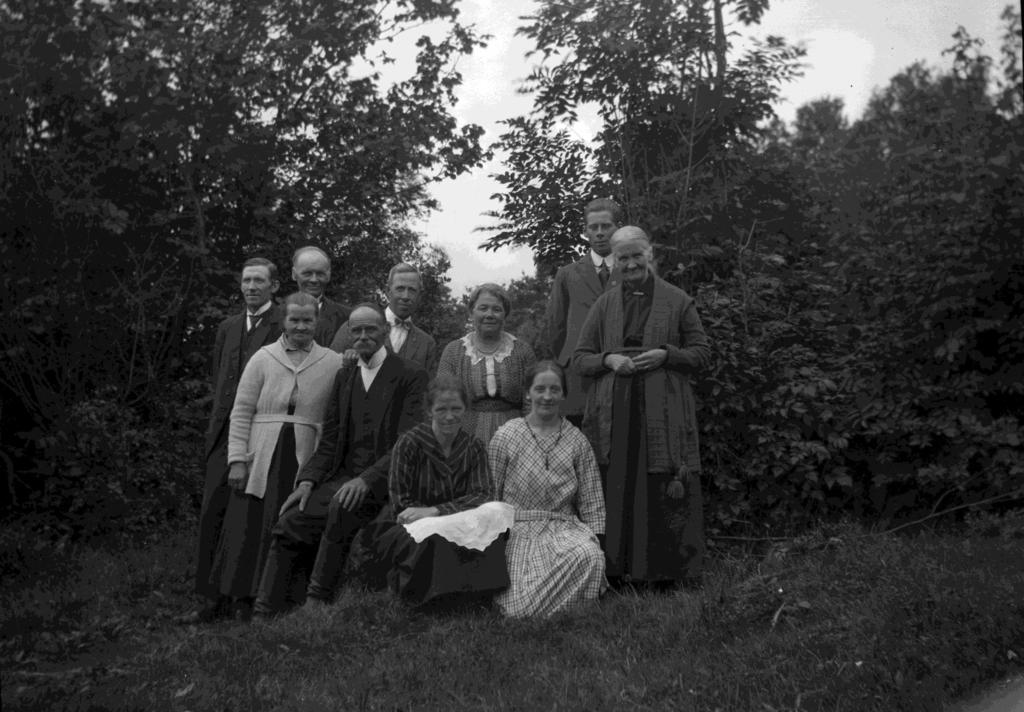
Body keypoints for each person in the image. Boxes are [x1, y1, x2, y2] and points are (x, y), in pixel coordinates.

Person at [254, 304, 427, 614]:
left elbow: (408, 443)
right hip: (342, 477)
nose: (363, 336)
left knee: (340, 506)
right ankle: (265, 610)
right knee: (291, 519)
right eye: (356, 330)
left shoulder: (410, 375)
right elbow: (331, 438)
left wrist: (366, 480)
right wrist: (308, 480)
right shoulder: (345, 375)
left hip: (388, 482)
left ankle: (316, 600)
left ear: (384, 332)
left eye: (370, 329)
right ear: (349, 334)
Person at [573, 226, 711, 588]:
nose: (631, 263)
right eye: (623, 257)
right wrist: (609, 360)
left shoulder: (678, 300)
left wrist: (668, 354)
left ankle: (669, 575)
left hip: (663, 410)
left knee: (662, 482)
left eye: (637, 255)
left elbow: (703, 353)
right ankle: (618, 574)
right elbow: (580, 358)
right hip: (615, 410)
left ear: (650, 254)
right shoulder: (604, 304)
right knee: (618, 484)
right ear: (615, 262)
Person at [206, 293, 344, 620]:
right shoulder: (263, 358)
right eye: (294, 320)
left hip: (303, 456)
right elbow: (240, 411)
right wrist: (237, 459)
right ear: (284, 321)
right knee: (250, 526)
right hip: (262, 455)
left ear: (317, 322)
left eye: (307, 320)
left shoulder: (332, 361)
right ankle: (241, 598)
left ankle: (285, 599)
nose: (300, 326)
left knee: (292, 523)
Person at [187, 257, 282, 624]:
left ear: (274, 286)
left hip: (259, 432)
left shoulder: (281, 325)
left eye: (260, 280)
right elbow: (219, 378)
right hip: (223, 431)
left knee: (246, 516)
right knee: (213, 511)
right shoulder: (227, 327)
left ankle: (243, 595)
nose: (252, 287)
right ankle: (209, 599)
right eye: (246, 280)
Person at [362, 374, 508, 607]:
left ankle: (477, 596)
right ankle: (433, 598)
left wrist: (436, 511)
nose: (449, 416)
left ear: (465, 410)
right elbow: (402, 503)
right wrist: (433, 515)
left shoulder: (474, 447)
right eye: (441, 409)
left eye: (456, 408)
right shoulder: (410, 443)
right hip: (407, 526)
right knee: (434, 538)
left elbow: (483, 494)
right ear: (429, 411)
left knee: (494, 520)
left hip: (455, 518)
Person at [489, 361, 606, 617]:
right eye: (540, 389)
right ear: (528, 393)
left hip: (563, 529)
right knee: (517, 608)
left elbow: (592, 498)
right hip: (518, 530)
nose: (547, 396)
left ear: (563, 394)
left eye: (555, 390)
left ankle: (561, 604)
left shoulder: (577, 440)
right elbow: (491, 493)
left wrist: (597, 537)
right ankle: (550, 605)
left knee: (590, 555)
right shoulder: (507, 435)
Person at [545, 198, 623, 425]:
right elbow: (555, 328)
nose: (599, 233)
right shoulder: (568, 274)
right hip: (578, 377)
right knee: (578, 441)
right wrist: (566, 361)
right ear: (585, 231)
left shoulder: (632, 270)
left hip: (620, 371)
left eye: (606, 226)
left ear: (618, 228)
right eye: (593, 227)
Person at [437, 283, 536, 445]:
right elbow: (442, 399)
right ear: (471, 312)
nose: (489, 314)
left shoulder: (522, 351)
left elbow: (531, 401)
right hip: (464, 435)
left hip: (516, 436)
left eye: (496, 309)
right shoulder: (454, 351)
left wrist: (531, 440)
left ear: (505, 314)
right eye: (483, 308)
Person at [329, 262, 437, 374]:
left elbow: (428, 388)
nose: (405, 296)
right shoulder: (353, 327)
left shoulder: (427, 343)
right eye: (400, 289)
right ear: (387, 291)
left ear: (420, 295)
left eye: (412, 290)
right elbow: (330, 369)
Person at [292, 245, 349, 346]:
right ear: (294, 274)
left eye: (320, 274)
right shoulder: (277, 315)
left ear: (328, 275)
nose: (314, 280)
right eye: (307, 273)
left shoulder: (346, 317)